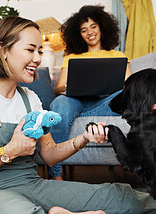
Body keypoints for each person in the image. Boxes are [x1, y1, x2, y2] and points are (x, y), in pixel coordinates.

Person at [0, 16, 156, 214]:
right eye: (30, 50)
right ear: (4, 50)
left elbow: (49, 155)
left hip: (32, 185)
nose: (37, 59)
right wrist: (9, 152)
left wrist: (83, 139)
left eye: (39, 50)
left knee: (117, 197)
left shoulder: (30, 99)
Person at [49, 5, 132, 180]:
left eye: (93, 26)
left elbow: (130, 86)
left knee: (126, 96)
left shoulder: (117, 55)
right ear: (78, 35)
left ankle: (79, 114)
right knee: (59, 103)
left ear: (102, 27)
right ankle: (56, 175)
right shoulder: (71, 57)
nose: (90, 32)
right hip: (76, 101)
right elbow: (59, 87)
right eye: (83, 30)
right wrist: (73, 88)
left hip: (105, 103)